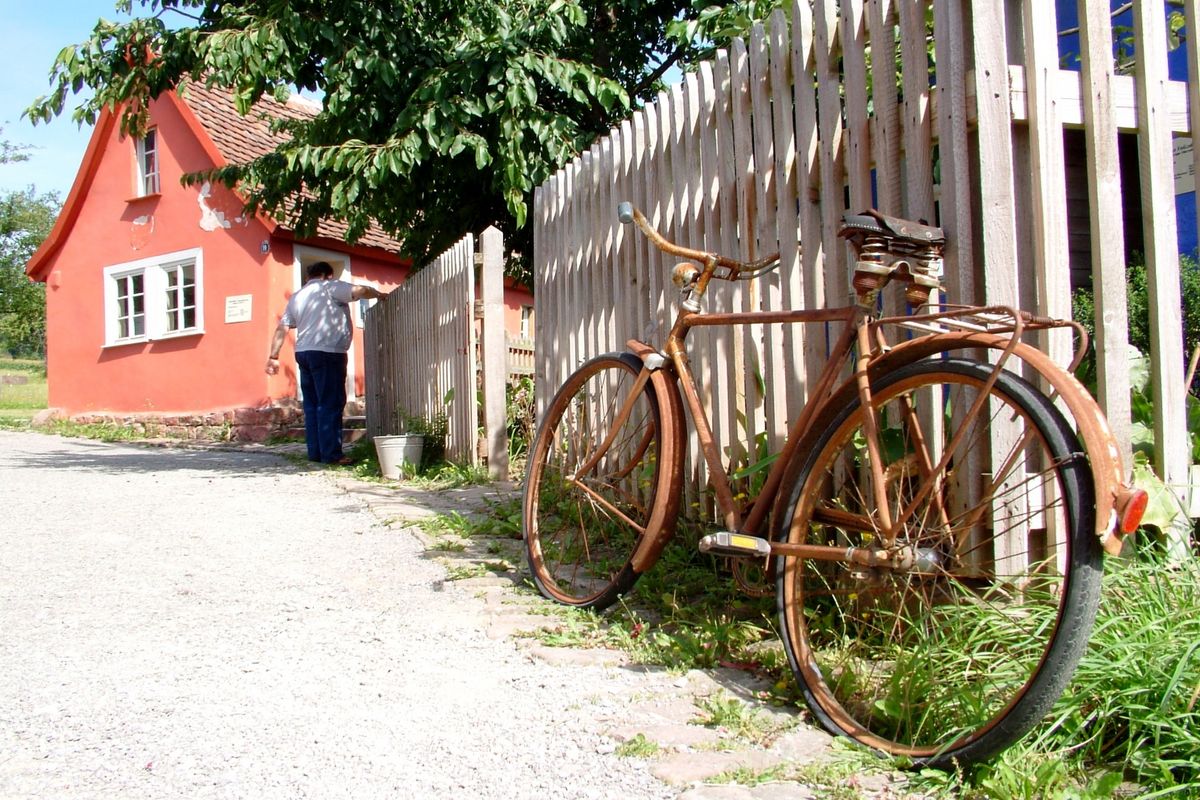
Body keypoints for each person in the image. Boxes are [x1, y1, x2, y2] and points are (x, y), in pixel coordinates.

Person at [265, 261, 389, 464]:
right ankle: (332, 454)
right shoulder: (330, 286)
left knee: (312, 405)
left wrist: (273, 356)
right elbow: (360, 290)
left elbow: (283, 327)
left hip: (304, 353)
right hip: (328, 353)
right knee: (330, 403)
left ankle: (315, 453)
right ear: (328, 275)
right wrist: (377, 294)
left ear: (308, 277)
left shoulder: (296, 297)